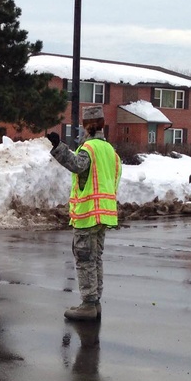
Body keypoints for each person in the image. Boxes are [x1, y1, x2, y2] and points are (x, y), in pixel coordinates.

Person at [46, 105, 122, 321]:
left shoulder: (89, 149)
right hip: (104, 214)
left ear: (87, 127)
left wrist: (59, 147)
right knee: (96, 258)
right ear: (103, 125)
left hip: (88, 214)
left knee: (85, 258)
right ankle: (95, 301)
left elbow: (78, 166)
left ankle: (88, 304)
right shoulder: (111, 152)